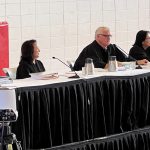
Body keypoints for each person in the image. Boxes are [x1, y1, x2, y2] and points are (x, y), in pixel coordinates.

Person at [73, 27, 148, 71]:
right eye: (106, 36)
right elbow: (103, 65)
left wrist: (137, 62)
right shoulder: (91, 49)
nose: (108, 38)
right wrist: (119, 64)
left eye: (109, 36)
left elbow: (124, 59)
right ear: (97, 36)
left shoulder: (112, 47)